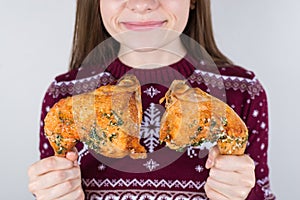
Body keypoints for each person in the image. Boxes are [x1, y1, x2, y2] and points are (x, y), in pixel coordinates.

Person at [28, 0, 276, 199]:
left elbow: (260, 192)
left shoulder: (243, 92)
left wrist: (245, 195)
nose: (142, 4)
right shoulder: (64, 95)